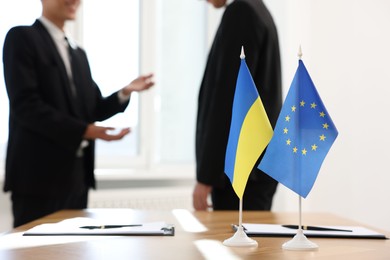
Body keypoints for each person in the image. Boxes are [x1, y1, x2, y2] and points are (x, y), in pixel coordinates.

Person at [2, 0, 154, 227]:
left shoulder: (79, 54)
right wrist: (87, 130)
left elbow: (93, 109)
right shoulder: (22, 38)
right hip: (36, 179)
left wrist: (124, 92)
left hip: (76, 180)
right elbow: (27, 106)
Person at [193, 0, 282, 210]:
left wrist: (207, 176)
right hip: (254, 168)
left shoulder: (241, 12)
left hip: (241, 170)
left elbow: (227, 96)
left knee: (236, 241)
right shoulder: (258, 10)